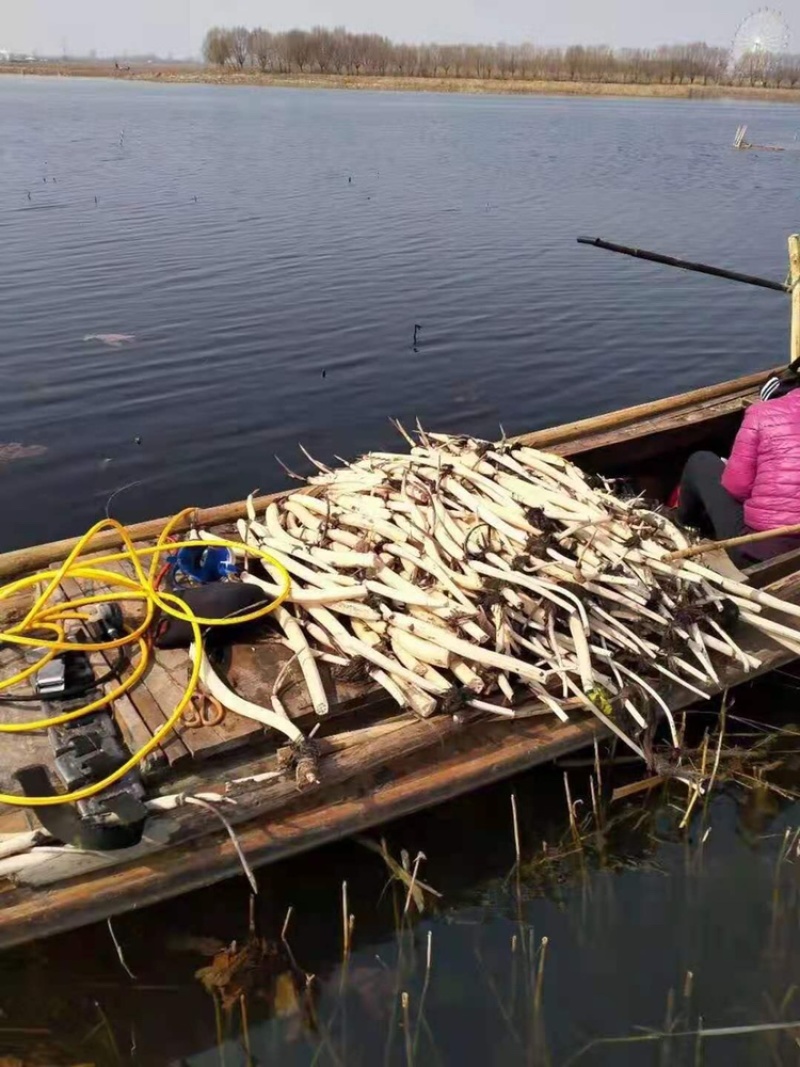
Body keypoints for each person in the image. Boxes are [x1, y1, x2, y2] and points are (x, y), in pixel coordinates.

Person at [676, 363, 800, 567]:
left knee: (701, 461)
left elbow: (737, 488)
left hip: (762, 552)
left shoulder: (762, 412)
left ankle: (685, 524)